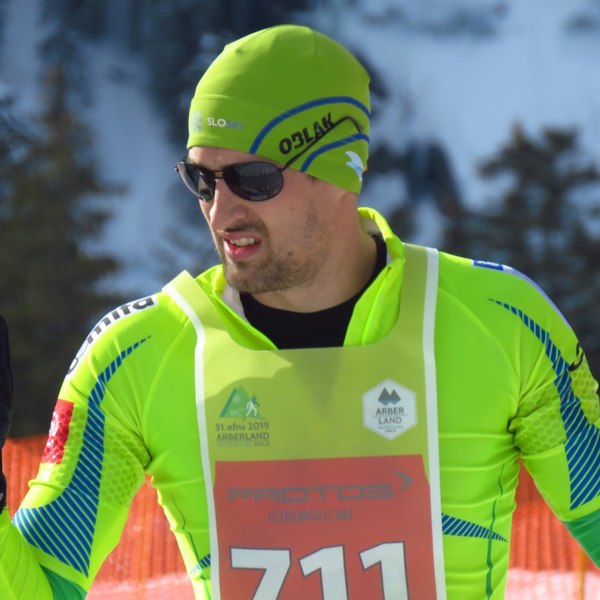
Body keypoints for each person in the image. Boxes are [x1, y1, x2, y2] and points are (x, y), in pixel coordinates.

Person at [0, 24, 599, 600]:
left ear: (341, 170)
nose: (221, 211)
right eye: (202, 180)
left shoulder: (500, 323)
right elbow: (41, 588)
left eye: (252, 179)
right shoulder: (137, 357)